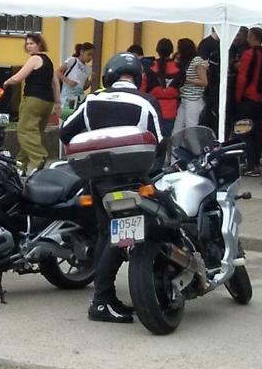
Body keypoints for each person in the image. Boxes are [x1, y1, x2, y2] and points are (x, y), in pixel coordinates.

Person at [60, 52, 163, 324]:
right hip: (135, 181)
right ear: (138, 77)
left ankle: (104, 298)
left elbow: (65, 133)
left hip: (99, 182)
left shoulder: (93, 100)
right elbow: (161, 142)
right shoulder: (147, 102)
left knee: (108, 236)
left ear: (109, 75)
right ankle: (103, 301)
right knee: (129, 235)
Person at [3, 32, 60, 173]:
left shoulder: (34, 59)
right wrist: (57, 102)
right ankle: (20, 165)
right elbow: (55, 83)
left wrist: (6, 82)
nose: (28, 46)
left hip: (33, 100)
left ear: (39, 44)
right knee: (33, 133)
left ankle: (39, 158)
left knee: (25, 132)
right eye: (27, 44)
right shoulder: (49, 61)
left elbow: (18, 77)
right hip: (47, 103)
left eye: (31, 43)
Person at [234, 27, 262, 177]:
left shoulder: (249, 54)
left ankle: (249, 164)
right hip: (261, 100)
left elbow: (242, 78)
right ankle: (255, 164)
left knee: (245, 133)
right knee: (257, 134)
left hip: (248, 100)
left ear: (251, 37)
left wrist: (238, 99)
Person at [146, 38, 180, 139]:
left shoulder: (150, 68)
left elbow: (144, 89)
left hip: (153, 107)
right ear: (171, 51)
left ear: (157, 50)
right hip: (171, 109)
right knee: (166, 140)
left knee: (154, 139)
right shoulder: (179, 69)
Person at [175, 37, 207, 131]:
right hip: (185, 98)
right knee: (177, 128)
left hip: (194, 99)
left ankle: (193, 145)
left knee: (191, 127)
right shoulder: (187, 61)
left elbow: (204, 82)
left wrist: (188, 80)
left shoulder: (197, 61)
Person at [57, 42, 94, 114]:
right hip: (69, 93)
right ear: (81, 52)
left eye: (92, 56)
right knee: (67, 114)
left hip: (80, 95)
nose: (90, 58)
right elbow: (58, 72)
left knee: (77, 114)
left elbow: (84, 87)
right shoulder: (73, 60)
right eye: (88, 54)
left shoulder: (88, 69)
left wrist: (91, 80)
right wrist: (68, 81)